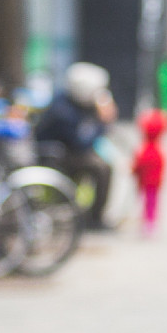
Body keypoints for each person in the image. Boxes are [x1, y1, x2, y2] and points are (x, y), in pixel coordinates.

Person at [36, 61, 117, 228]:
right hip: (56, 156)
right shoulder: (63, 111)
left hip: (66, 152)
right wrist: (102, 122)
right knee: (102, 168)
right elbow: (82, 142)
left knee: (101, 164)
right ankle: (95, 219)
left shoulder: (71, 102)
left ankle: (91, 215)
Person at [131, 108, 167, 235]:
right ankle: (150, 221)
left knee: (145, 202)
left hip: (144, 183)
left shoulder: (143, 151)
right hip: (155, 183)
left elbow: (138, 166)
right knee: (153, 202)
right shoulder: (159, 152)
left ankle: (147, 222)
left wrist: (133, 170)